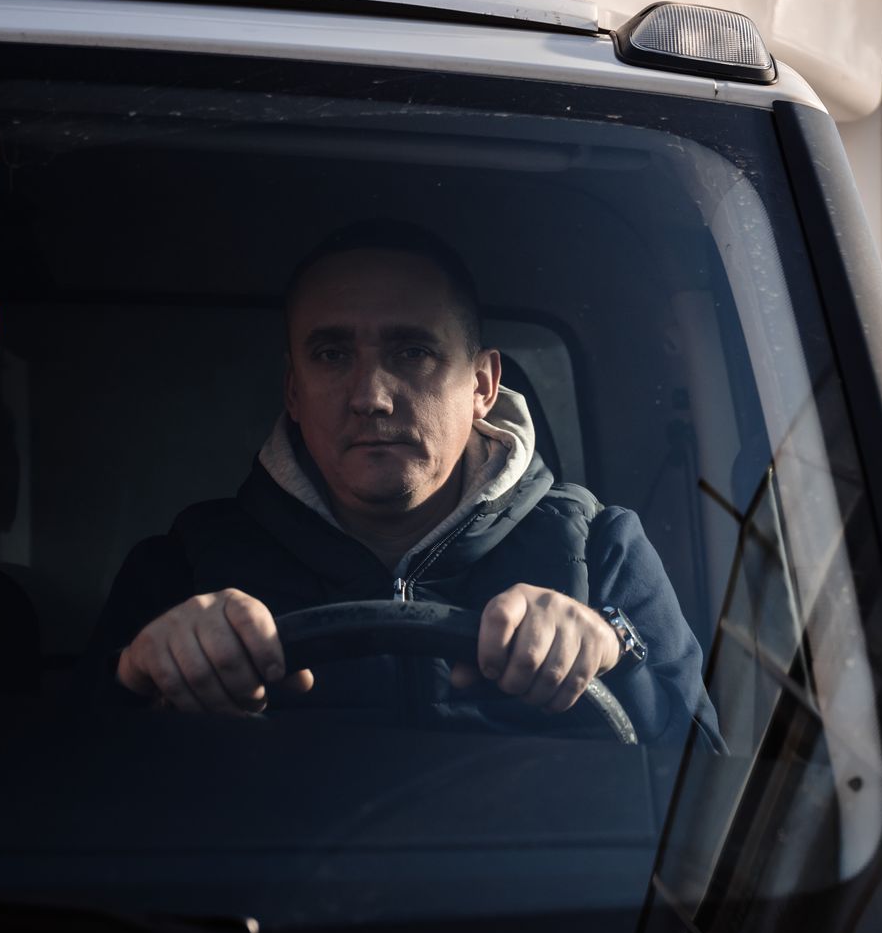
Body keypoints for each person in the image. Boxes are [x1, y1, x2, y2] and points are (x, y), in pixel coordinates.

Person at [87, 219, 715, 744]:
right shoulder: (183, 568)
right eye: (332, 356)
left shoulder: (601, 552)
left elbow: (715, 802)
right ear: (293, 391)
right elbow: (64, 793)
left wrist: (612, 660)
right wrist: (136, 682)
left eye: (412, 353)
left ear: (482, 385)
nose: (371, 398)